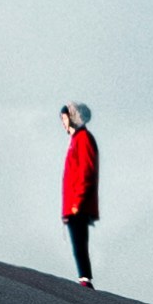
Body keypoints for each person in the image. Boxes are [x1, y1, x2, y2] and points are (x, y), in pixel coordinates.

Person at [58, 100, 100, 289]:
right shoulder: (75, 140)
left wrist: (77, 202)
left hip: (78, 204)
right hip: (72, 204)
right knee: (77, 242)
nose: (63, 123)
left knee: (80, 242)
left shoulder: (83, 139)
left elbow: (86, 171)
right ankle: (83, 277)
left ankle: (85, 278)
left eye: (65, 118)